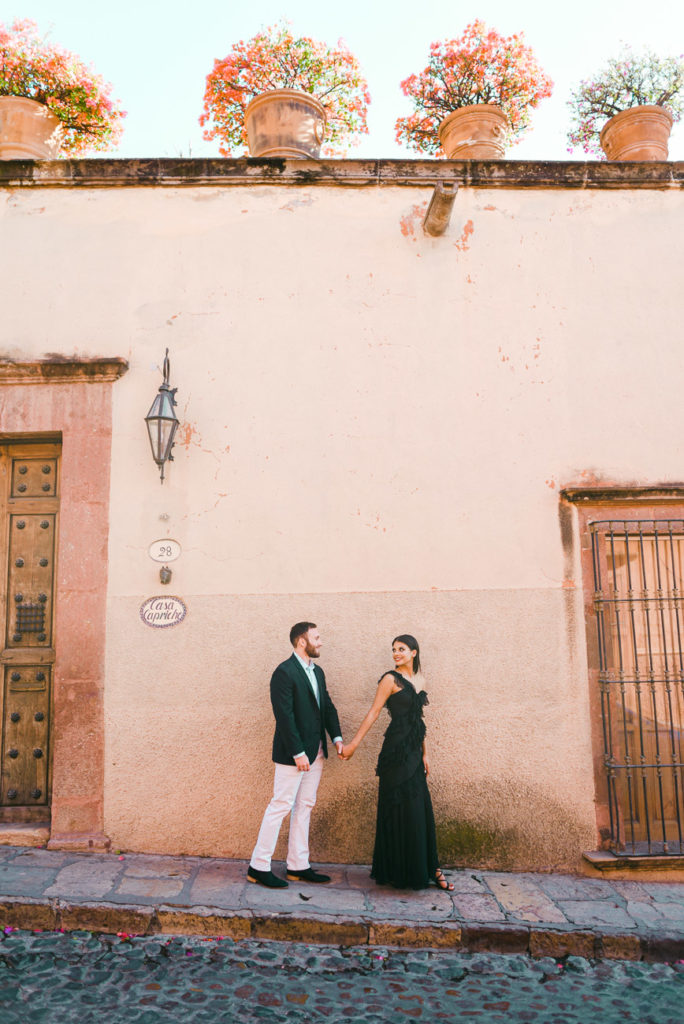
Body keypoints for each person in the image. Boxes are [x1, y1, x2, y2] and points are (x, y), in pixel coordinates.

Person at [341, 634, 453, 891]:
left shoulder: (421, 679)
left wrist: (425, 753)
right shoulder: (389, 679)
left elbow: (419, 720)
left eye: (401, 649)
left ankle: (429, 868)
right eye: (393, 650)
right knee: (397, 810)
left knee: (419, 809)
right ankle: (397, 870)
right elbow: (374, 712)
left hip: (414, 752)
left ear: (414, 652)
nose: (396, 653)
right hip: (395, 753)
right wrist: (354, 745)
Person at [247, 621, 343, 889]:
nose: (321, 642)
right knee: (280, 805)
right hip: (295, 755)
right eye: (317, 637)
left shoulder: (318, 671)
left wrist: (336, 738)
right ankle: (258, 866)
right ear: (302, 641)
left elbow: (327, 706)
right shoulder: (284, 672)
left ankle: (298, 866)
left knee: (305, 807)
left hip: (318, 753)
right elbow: (285, 717)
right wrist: (298, 752)